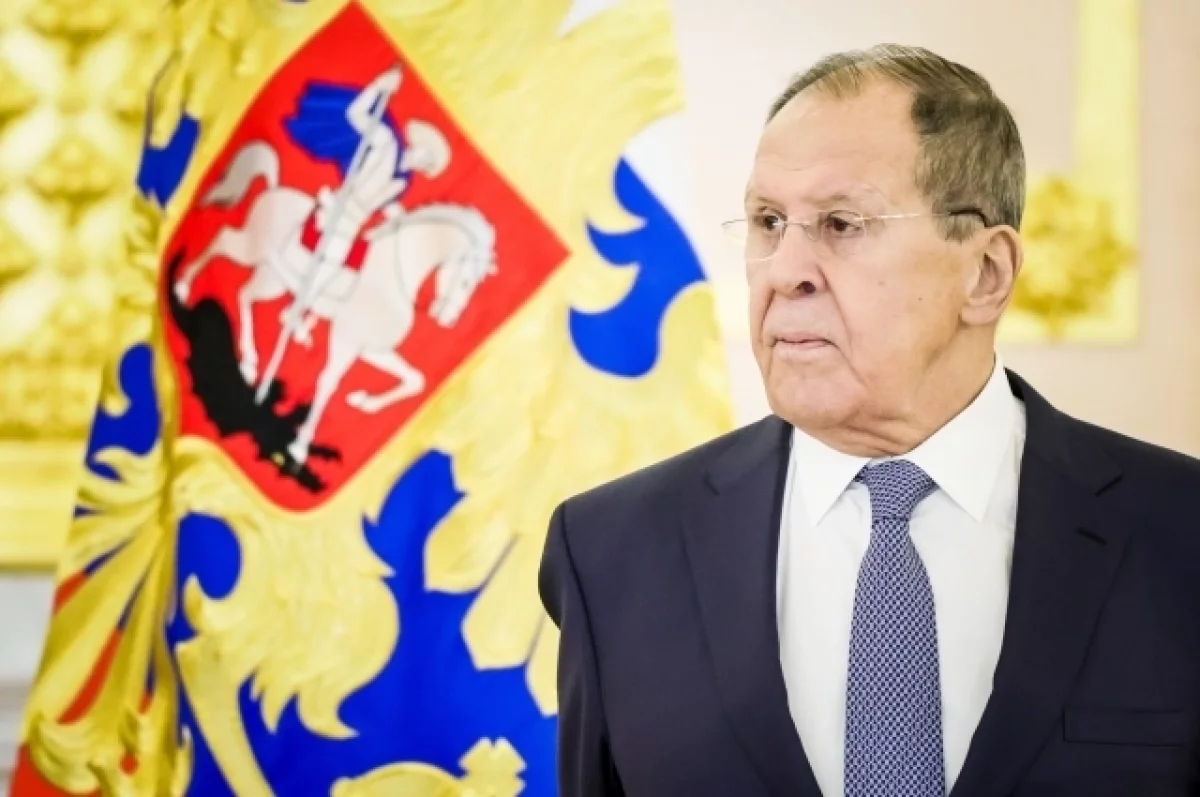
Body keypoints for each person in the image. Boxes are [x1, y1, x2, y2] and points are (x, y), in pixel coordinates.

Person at [538, 44, 1200, 797]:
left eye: (842, 223)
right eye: (767, 222)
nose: (786, 271)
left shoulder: (1180, 533)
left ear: (985, 273)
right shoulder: (612, 552)